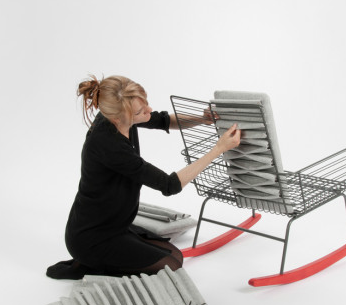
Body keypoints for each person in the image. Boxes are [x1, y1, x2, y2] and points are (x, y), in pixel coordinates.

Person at [46, 75, 241, 279]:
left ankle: (100, 260)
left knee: (176, 256)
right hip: (93, 237)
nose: (149, 110)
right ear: (117, 118)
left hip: (116, 225)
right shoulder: (110, 146)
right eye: (140, 111)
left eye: (145, 103)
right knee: (172, 267)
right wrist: (218, 149)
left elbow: (165, 120)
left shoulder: (119, 117)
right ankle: (90, 264)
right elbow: (169, 185)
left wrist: (203, 119)